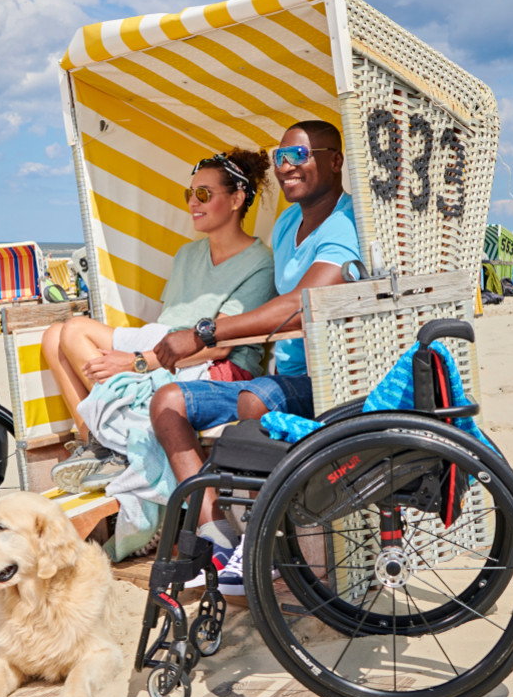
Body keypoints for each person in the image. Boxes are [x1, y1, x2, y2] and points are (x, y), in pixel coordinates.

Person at [149, 119, 361, 591]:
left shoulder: (346, 225)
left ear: (334, 160)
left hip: (331, 381)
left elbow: (298, 307)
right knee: (167, 401)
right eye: (279, 158)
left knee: (255, 401)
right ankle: (215, 533)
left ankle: (258, 542)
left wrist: (203, 333)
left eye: (299, 157)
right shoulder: (287, 222)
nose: (285, 168)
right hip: (281, 376)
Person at [42, 147, 278, 488]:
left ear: (237, 199)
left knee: (76, 328)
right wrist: (142, 358)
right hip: (168, 348)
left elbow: (220, 347)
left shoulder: (259, 262)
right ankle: (101, 444)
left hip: (214, 366)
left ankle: (114, 446)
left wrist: (136, 363)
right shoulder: (187, 254)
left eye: (203, 194)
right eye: (189, 194)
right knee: (54, 336)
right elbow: (169, 325)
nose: (192, 203)